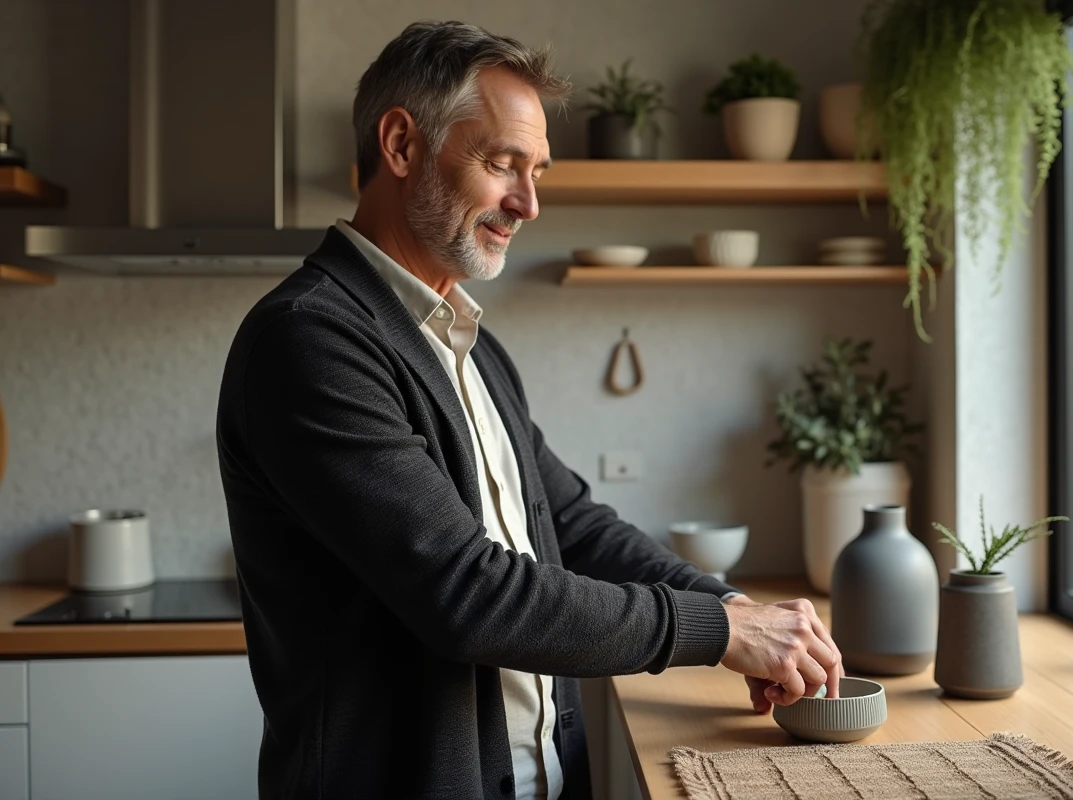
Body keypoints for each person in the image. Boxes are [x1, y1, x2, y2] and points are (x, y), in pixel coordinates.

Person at [216, 19, 842, 800]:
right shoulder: (311, 341)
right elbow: (468, 596)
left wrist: (732, 606)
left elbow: (571, 523)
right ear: (402, 146)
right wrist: (718, 635)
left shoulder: (467, 340)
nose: (530, 203)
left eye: (537, 170)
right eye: (504, 164)